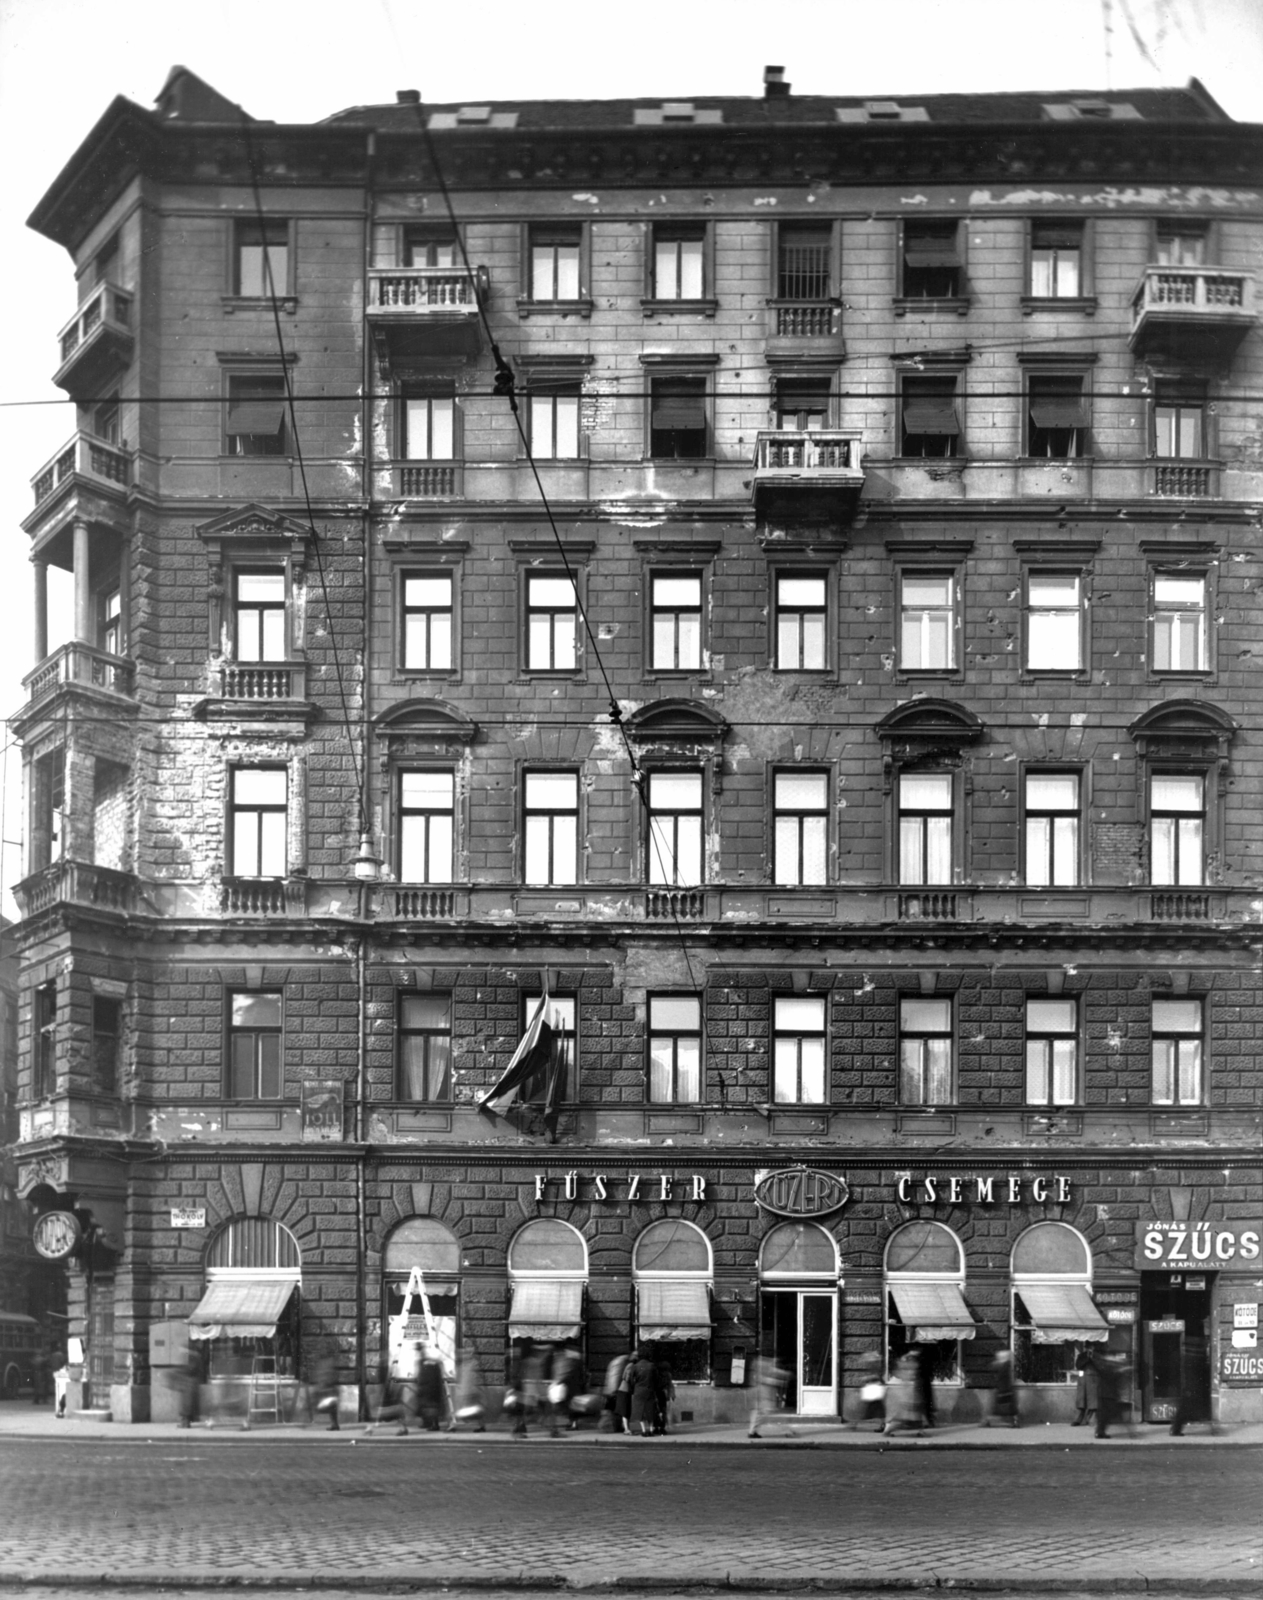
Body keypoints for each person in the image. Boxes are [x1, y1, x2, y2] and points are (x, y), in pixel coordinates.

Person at [747, 1352, 790, 1440]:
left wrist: (784, 1374)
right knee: (767, 1412)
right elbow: (765, 1378)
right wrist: (780, 1380)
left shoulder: (761, 1363)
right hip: (763, 1393)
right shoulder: (763, 1364)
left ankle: (752, 1431)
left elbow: (773, 1372)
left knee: (760, 1413)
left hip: (762, 1393)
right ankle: (786, 1431)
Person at [882, 1351, 926, 1437]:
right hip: (908, 1389)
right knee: (907, 1416)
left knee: (910, 1416)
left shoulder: (906, 1366)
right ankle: (887, 1431)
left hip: (909, 1388)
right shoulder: (910, 1366)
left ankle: (920, 1431)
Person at [548, 1338, 584, 1436]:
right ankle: (571, 1423)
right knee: (570, 1406)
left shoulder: (565, 1359)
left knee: (569, 1406)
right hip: (571, 1385)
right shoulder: (570, 1359)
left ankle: (572, 1424)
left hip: (569, 1386)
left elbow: (565, 1372)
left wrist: (559, 1381)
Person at [450, 1343, 486, 1432]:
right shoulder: (463, 1366)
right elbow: (459, 1379)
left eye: (466, 1354)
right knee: (470, 1411)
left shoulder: (473, 1364)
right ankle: (481, 1426)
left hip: (470, 1392)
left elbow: (476, 1378)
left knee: (465, 1410)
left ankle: (453, 1425)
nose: (463, 1356)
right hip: (466, 1392)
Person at [628, 1347, 658, 1437]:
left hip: (639, 1391)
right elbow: (656, 1379)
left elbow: (631, 1380)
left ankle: (644, 1430)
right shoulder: (652, 1365)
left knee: (640, 1411)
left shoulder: (635, 1366)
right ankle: (651, 1430)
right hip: (649, 1390)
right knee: (650, 1410)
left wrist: (634, 1387)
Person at [416, 1344, 447, 1432]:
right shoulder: (423, 1361)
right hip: (428, 1387)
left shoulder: (427, 1361)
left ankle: (434, 1424)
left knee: (431, 1407)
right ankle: (428, 1423)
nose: (420, 1353)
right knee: (427, 1406)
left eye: (420, 1350)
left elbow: (426, 1374)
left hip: (430, 1387)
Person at [601, 1350, 632, 1433]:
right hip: (617, 1390)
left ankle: (613, 1427)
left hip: (609, 1390)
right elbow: (619, 1377)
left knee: (613, 1411)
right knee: (620, 1410)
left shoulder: (614, 1362)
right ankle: (617, 1427)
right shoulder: (624, 1361)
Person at [986, 1349, 1018, 1428]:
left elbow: (999, 1377)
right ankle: (1014, 1421)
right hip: (1006, 1389)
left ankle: (989, 1421)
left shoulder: (1002, 1366)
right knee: (1009, 1407)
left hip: (1002, 1389)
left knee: (998, 1407)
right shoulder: (1007, 1365)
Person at [310, 1349, 340, 1431]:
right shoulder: (329, 1361)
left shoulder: (326, 1362)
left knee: (330, 1407)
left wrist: (322, 1385)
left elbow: (327, 1375)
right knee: (332, 1408)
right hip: (330, 1388)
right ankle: (335, 1424)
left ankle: (335, 1424)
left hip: (328, 1388)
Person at [1071, 1348, 1097, 1427]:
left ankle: (1091, 1420)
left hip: (1093, 1380)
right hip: (1083, 1380)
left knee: (1092, 1402)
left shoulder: (1097, 1355)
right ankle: (1078, 1420)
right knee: (1081, 1401)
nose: (1091, 1349)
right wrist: (1087, 1359)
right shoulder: (1082, 1356)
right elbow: (1078, 1365)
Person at [652, 1351, 675, 1436]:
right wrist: (671, 1395)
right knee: (663, 1411)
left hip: (656, 1393)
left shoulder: (656, 1373)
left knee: (656, 1411)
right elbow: (670, 1385)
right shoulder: (668, 1375)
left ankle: (656, 1427)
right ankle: (662, 1428)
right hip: (662, 1393)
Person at [915, 1342, 937, 1429]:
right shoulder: (928, 1358)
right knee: (926, 1403)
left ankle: (925, 1422)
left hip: (921, 1382)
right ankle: (929, 1421)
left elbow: (919, 1369)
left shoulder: (921, 1358)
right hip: (925, 1382)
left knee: (922, 1402)